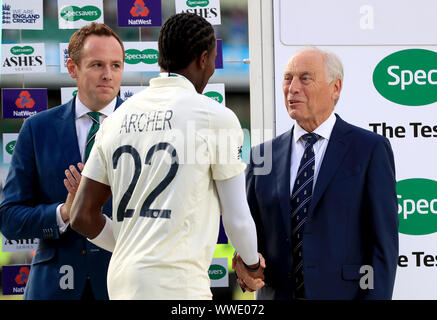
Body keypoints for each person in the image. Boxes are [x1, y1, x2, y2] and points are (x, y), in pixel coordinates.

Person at [69, 13, 264, 300]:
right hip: (178, 285)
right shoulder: (215, 117)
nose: (212, 68)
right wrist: (251, 264)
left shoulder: (116, 117)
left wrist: (134, 248)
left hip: (122, 283)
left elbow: (81, 216)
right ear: (203, 58)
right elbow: (236, 217)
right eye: (212, 61)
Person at [234, 47, 399, 300]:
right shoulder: (261, 156)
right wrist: (246, 266)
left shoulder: (369, 150)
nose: (293, 88)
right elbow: (251, 236)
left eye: (305, 78)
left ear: (336, 88)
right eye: (288, 78)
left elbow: (383, 248)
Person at [0, 23, 125, 299]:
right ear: (72, 68)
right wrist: (64, 213)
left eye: (116, 65)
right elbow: (9, 218)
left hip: (123, 286)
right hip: (53, 289)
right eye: (97, 65)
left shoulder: (143, 128)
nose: (108, 75)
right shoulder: (37, 129)